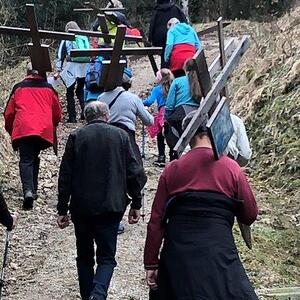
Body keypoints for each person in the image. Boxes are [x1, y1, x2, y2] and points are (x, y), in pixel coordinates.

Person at [144, 111, 259, 300]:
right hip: (219, 253)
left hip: (177, 255)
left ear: (187, 135)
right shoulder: (231, 168)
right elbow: (250, 215)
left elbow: (156, 221)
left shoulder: (172, 169)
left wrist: (151, 263)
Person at [57, 101, 144, 300]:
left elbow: (65, 176)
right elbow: (135, 171)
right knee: (106, 258)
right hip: (111, 206)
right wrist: (136, 203)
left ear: (87, 117)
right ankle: (98, 294)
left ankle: (89, 295)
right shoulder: (121, 136)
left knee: (84, 257)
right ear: (107, 116)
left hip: (82, 208)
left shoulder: (77, 136)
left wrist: (62, 208)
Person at [4, 63, 62, 210]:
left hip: (24, 128)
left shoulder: (19, 87)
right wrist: (52, 124)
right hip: (43, 130)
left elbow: (9, 113)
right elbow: (57, 113)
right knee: (34, 156)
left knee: (25, 159)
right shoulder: (49, 88)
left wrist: (10, 129)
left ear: (28, 72)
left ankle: (28, 191)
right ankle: (33, 189)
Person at [164, 59, 202, 160]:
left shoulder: (177, 81)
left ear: (185, 69)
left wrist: (166, 121)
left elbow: (169, 106)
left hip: (180, 115)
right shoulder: (201, 81)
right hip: (199, 114)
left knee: (176, 142)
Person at [56, 21, 90, 123]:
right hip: (84, 67)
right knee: (80, 89)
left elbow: (60, 55)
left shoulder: (66, 38)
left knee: (69, 91)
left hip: (72, 67)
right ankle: (84, 112)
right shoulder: (83, 37)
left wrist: (58, 70)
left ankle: (72, 117)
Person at [143, 69, 174, 165]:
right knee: (171, 133)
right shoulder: (173, 86)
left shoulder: (157, 89)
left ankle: (161, 156)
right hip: (173, 111)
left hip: (162, 112)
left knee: (160, 135)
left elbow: (149, 101)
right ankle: (173, 155)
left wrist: (139, 101)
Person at [148, 0, 187, 68]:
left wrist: (150, 40)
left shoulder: (157, 11)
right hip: (177, 38)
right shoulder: (176, 9)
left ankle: (165, 69)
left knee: (164, 52)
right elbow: (184, 22)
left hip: (161, 41)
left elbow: (152, 27)